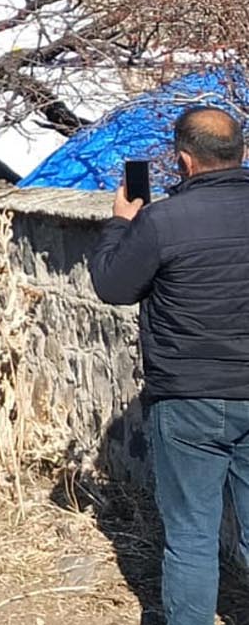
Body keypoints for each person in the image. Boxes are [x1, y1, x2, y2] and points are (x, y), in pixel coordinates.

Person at [88, 106, 249, 625]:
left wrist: (120, 222)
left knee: (191, 534)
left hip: (188, 395)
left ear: (183, 161)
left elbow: (113, 286)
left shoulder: (162, 221)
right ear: (242, 151)